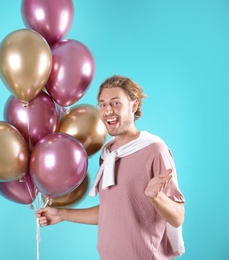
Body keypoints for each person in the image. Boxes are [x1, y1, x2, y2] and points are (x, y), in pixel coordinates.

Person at [36, 75, 185, 259]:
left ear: (134, 105)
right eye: (103, 104)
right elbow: (111, 212)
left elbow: (178, 217)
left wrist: (156, 197)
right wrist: (62, 214)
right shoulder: (108, 154)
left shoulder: (154, 150)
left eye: (116, 103)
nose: (108, 111)